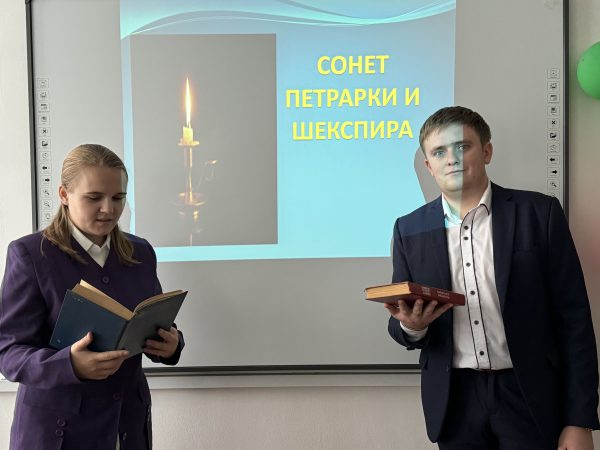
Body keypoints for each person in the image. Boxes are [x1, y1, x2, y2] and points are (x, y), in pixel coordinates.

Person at [385, 106, 599, 450]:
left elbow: (574, 321)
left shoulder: (540, 214)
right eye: (439, 152)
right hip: (455, 402)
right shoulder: (408, 229)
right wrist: (412, 326)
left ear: (486, 151)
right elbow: (402, 323)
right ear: (428, 165)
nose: (451, 159)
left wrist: (580, 419)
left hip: (530, 395)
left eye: (462, 146)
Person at [0, 144, 184, 449]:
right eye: (94, 197)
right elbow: (8, 353)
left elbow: (150, 321)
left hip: (127, 428)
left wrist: (172, 344)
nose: (108, 209)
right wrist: (68, 364)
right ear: (64, 194)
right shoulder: (30, 255)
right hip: (58, 434)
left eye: (118, 198)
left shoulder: (141, 252)